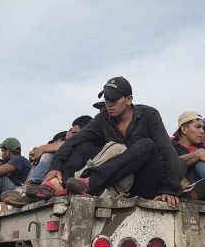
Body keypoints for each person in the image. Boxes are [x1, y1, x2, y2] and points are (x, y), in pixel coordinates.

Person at [25, 76, 183, 206]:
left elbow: (166, 150)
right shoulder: (102, 119)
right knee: (85, 144)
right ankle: (60, 184)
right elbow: (74, 141)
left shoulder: (149, 115)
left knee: (146, 145)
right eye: (107, 98)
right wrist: (56, 167)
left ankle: (90, 182)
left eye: (114, 99)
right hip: (115, 181)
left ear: (128, 99)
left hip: (143, 182)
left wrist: (170, 189)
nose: (109, 103)